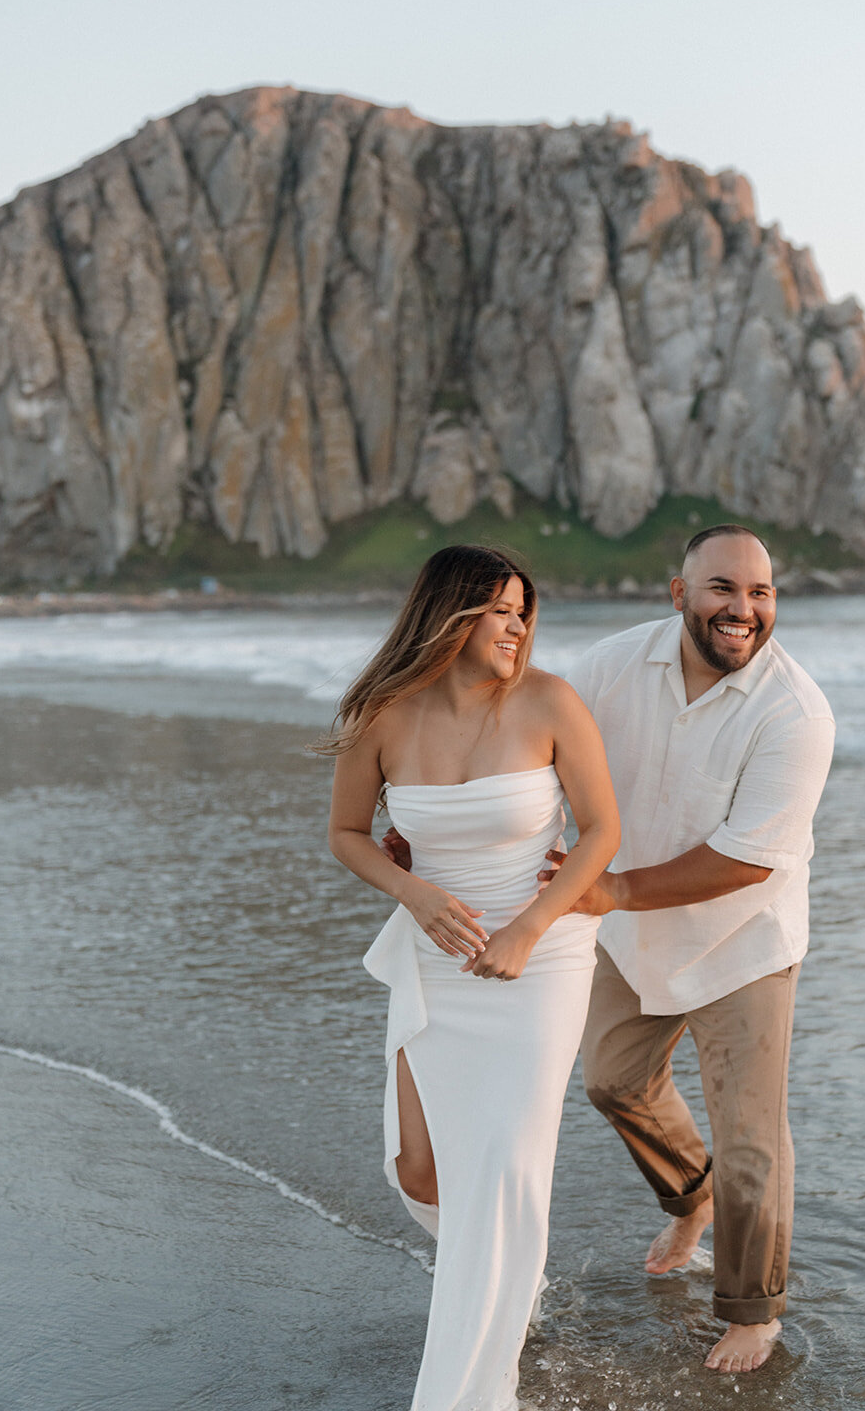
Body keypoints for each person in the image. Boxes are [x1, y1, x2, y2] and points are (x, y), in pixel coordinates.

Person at [322, 544, 621, 1411]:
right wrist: (411, 892)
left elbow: (600, 830)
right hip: (435, 957)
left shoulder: (548, 701)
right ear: (450, 616)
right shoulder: (384, 714)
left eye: (525, 610)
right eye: (501, 610)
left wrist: (531, 928)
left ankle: (471, 1373)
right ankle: (501, 1280)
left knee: (500, 1174)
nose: (518, 626)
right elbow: (345, 834)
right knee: (420, 1169)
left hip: (541, 959)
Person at [542, 524, 835, 1374]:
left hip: (745, 940)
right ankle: (692, 1200)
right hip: (632, 929)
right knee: (611, 1080)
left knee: (751, 1135)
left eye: (760, 593)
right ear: (679, 595)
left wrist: (607, 890)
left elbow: (744, 860)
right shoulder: (609, 667)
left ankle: (752, 1309)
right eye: (721, 589)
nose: (741, 609)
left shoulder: (795, 711)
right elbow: (534, 748)